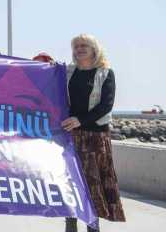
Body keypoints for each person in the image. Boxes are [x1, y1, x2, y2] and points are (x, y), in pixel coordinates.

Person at [61, 34, 125, 232]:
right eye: (76, 46)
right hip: (71, 138)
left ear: (94, 49)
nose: (79, 49)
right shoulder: (66, 72)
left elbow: (106, 105)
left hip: (96, 139)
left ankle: (93, 228)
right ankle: (70, 227)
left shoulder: (105, 73)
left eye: (84, 46)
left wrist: (80, 120)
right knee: (70, 185)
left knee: (93, 189)